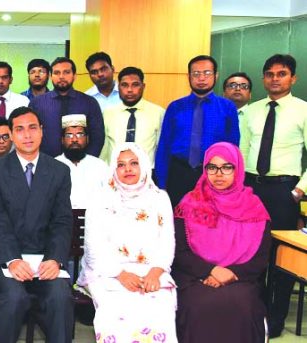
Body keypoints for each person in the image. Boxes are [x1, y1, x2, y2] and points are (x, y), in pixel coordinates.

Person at [0, 106, 73, 343]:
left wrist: (54, 259)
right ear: (11, 135)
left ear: (42, 131)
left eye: (33, 128)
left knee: (60, 295)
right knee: (14, 298)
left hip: (45, 257)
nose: (27, 135)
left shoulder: (59, 171)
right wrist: (13, 259)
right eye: (20, 129)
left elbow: (62, 221)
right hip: (5, 258)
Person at [78, 142, 177, 342]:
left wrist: (155, 272)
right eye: (121, 165)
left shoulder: (160, 198)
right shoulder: (100, 199)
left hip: (151, 270)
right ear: (114, 168)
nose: (128, 169)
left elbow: (168, 242)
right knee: (117, 306)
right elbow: (93, 248)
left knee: (160, 305)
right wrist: (120, 275)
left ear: (144, 166)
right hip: (108, 271)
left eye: (134, 163)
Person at [173, 142, 271, 342]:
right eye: (212, 167)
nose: (219, 174)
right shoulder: (190, 203)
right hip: (196, 277)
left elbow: (261, 258)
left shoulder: (254, 206)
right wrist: (211, 271)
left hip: (240, 278)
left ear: (238, 169)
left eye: (227, 167)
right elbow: (180, 251)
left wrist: (232, 274)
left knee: (242, 304)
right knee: (198, 304)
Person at [238, 54, 307, 337]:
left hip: (284, 190)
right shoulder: (251, 111)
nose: (275, 79)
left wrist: (300, 189)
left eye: (281, 73)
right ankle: (252, 313)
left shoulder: (303, 110)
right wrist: (239, 187)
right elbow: (242, 151)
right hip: (251, 188)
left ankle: (275, 319)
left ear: (293, 78)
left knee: (280, 259)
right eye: (269, 74)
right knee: (250, 254)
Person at [154, 55, 239, 206]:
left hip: (212, 175)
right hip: (178, 174)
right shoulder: (175, 107)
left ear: (216, 76)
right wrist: (161, 184)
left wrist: (229, 182)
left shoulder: (227, 108)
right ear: (188, 76)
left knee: (209, 224)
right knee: (177, 223)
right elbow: (164, 146)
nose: (201, 78)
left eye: (207, 73)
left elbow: (233, 149)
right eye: (196, 74)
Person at [29, 57, 104, 157]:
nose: (61, 76)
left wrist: (86, 162)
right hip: (46, 165)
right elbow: (31, 136)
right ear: (51, 76)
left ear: (74, 76)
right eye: (57, 73)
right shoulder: (37, 103)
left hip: (81, 165)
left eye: (66, 72)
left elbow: (97, 137)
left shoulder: (89, 102)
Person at [100, 67, 165, 162]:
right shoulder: (108, 114)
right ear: (118, 87)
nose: (129, 90)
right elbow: (104, 150)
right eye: (124, 85)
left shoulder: (158, 113)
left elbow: (162, 150)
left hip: (148, 173)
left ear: (143, 86)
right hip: (115, 172)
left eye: (135, 85)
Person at [55, 114, 109, 210]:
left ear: (87, 139)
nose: (74, 139)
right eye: (69, 135)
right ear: (62, 140)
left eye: (80, 134)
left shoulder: (100, 166)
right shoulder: (52, 166)